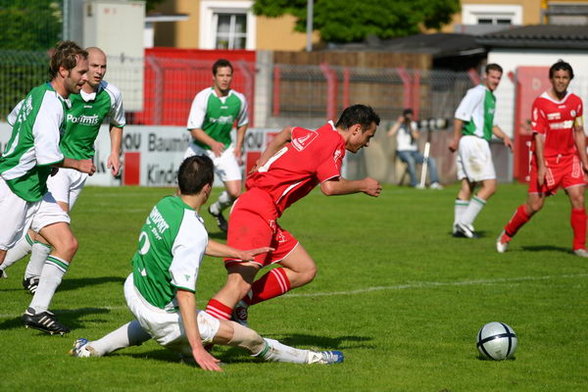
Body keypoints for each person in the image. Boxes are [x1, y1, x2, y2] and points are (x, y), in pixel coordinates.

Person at [68, 156, 344, 370]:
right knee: (251, 339)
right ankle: (313, 358)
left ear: (178, 183)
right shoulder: (192, 229)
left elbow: (191, 243)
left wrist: (240, 252)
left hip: (135, 291)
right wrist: (199, 348)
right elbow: (185, 294)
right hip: (162, 316)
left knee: (148, 322)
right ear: (208, 188)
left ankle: (92, 348)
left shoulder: (165, 204)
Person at [204, 104, 382, 327]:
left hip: (262, 211)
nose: (367, 143)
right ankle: (199, 343)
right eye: (368, 136)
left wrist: (263, 161)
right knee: (237, 285)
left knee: (305, 269)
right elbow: (329, 187)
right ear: (356, 129)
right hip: (255, 211)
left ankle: (242, 303)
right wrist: (362, 184)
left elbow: (287, 132)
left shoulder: (319, 133)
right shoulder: (334, 144)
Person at [0, 47, 125, 295]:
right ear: (67, 70)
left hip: (56, 175)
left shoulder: (106, 95)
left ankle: (35, 304)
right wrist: (73, 161)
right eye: (88, 69)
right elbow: (40, 147)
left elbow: (118, 123)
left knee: (56, 238)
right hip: (41, 173)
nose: (94, 73)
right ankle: (32, 276)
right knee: (37, 237)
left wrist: (114, 152)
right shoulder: (55, 100)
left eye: (102, 67)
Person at [0, 41, 96, 334]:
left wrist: (35, 154)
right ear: (63, 70)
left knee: (67, 244)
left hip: (37, 186)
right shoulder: (52, 104)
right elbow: (48, 155)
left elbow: (16, 118)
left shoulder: (41, 93)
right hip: (16, 187)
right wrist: (78, 164)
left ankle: (37, 311)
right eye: (81, 72)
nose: (86, 77)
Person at [497, 60, 588, 257]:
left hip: (569, 158)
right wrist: (542, 166)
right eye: (557, 78)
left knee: (578, 198)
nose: (561, 81)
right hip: (546, 161)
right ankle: (507, 234)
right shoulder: (541, 103)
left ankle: (579, 246)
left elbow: (579, 131)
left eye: (565, 78)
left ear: (570, 79)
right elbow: (538, 136)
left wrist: (585, 161)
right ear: (551, 79)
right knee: (535, 205)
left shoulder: (576, 102)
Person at [449, 63, 513, 238]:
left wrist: (505, 137)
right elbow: (460, 115)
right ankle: (464, 223)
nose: (496, 81)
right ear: (485, 76)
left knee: (467, 186)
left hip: (473, 142)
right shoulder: (477, 93)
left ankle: (457, 227)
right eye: (493, 77)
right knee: (490, 186)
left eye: (499, 78)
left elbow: (491, 125)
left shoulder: (491, 97)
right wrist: (455, 138)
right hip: (474, 142)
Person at [184, 58, 248, 232]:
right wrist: (211, 143)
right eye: (221, 75)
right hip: (199, 150)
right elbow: (193, 129)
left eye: (228, 75)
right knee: (189, 192)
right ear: (214, 77)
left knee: (235, 192)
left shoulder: (239, 100)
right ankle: (186, 228)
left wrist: (239, 146)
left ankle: (216, 209)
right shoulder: (203, 97)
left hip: (224, 150)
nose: (225, 79)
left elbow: (243, 123)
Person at [387, 108, 443, 189]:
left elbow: (416, 136)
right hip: (402, 152)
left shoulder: (413, 125)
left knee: (431, 160)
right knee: (410, 160)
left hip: (414, 152)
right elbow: (390, 134)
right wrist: (399, 122)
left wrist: (410, 126)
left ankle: (434, 183)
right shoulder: (399, 125)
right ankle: (415, 183)